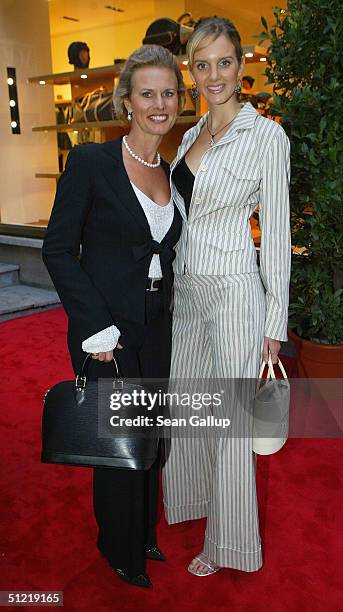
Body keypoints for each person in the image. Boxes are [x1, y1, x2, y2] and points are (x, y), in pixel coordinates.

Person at [42, 44, 185, 589]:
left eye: (168, 93)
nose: (159, 104)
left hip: (158, 326)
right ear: (127, 100)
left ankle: (143, 532)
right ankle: (117, 545)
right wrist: (92, 329)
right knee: (116, 445)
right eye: (147, 93)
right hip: (106, 330)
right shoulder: (91, 162)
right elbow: (58, 250)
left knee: (150, 438)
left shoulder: (170, 172)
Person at [162, 16, 291, 576]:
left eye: (223, 62)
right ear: (191, 71)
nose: (213, 75)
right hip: (187, 293)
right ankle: (196, 504)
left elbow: (279, 234)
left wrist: (275, 322)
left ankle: (229, 547)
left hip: (237, 292)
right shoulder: (190, 136)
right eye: (201, 64)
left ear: (241, 65)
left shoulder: (266, 136)